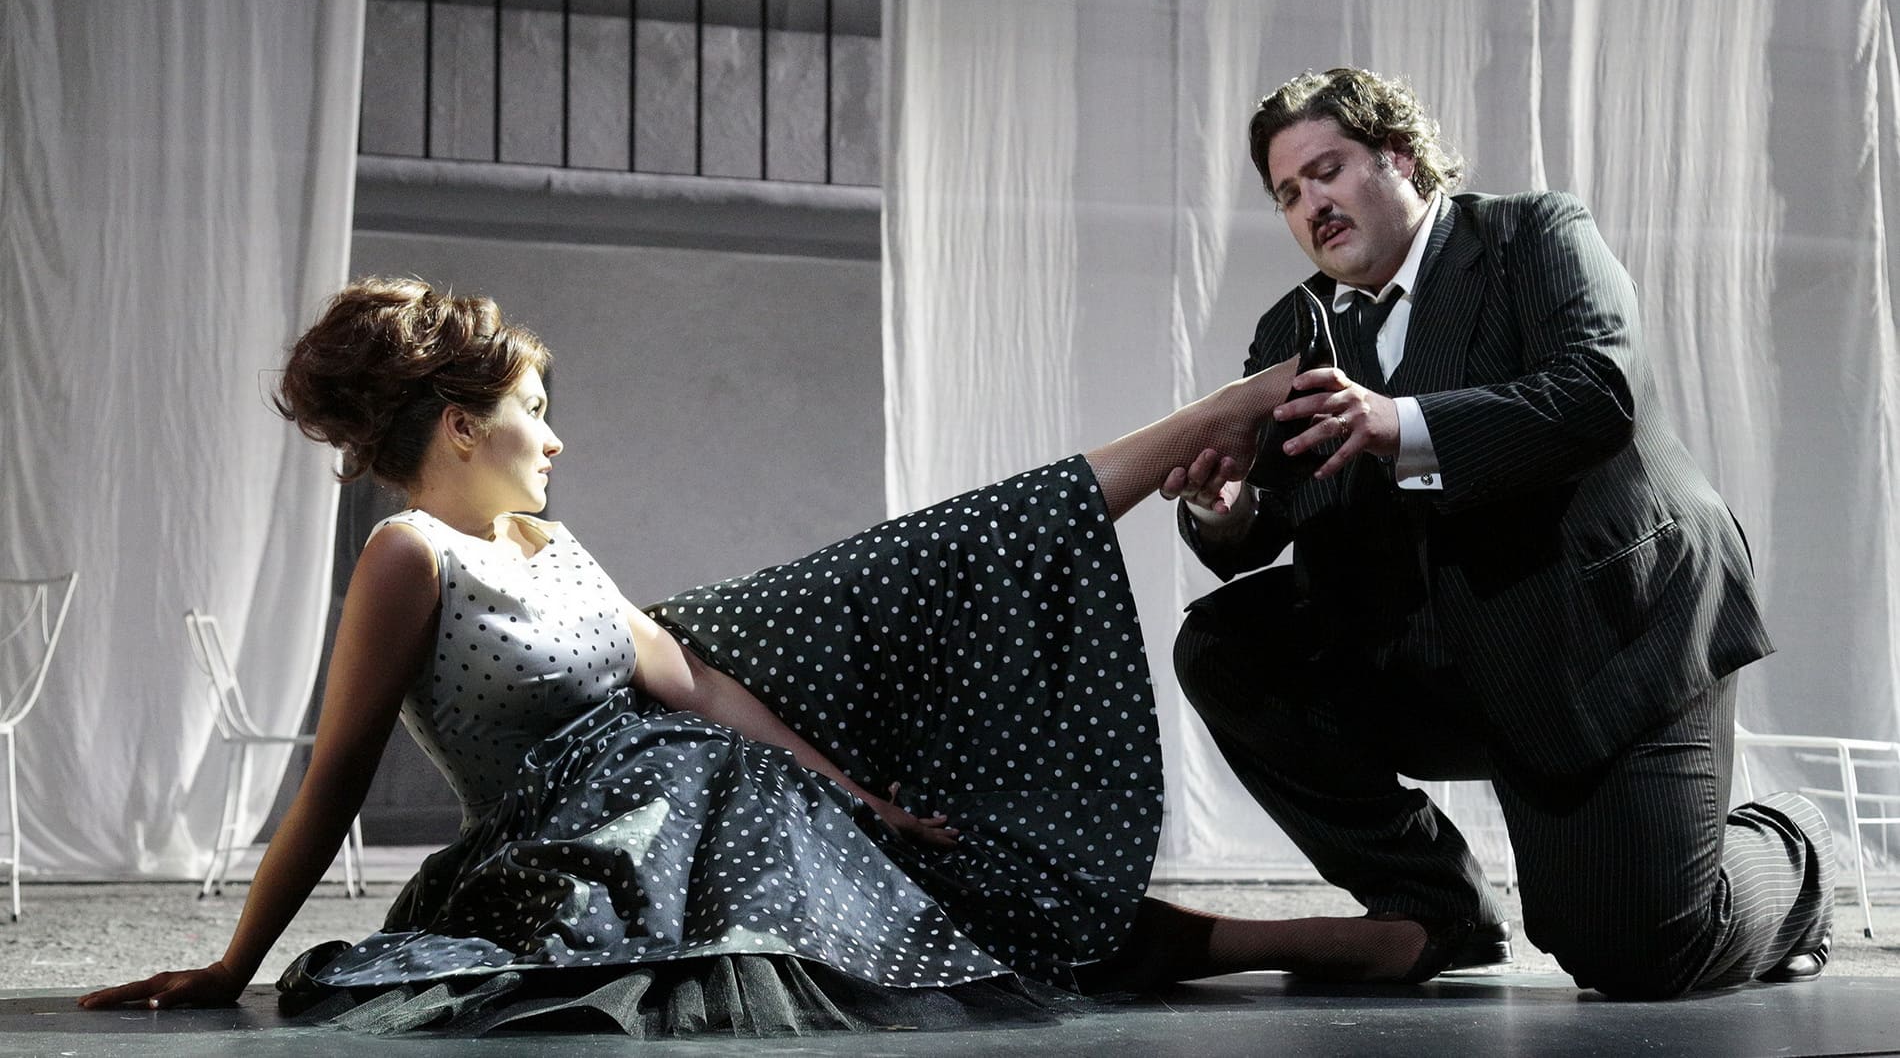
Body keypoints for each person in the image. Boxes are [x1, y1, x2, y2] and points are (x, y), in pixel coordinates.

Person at [80, 277, 1428, 1036]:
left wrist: (854, 794)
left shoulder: (554, 542)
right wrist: (234, 964)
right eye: (535, 411)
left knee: (925, 842)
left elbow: (693, 683)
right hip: (580, 848)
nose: (556, 438)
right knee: (877, 903)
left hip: (705, 790)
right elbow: (333, 778)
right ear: (458, 427)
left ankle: (1328, 941)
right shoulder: (409, 555)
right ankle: (1312, 937)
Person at [1165, 67, 1834, 1000]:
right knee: (1224, 646)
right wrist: (1223, 504)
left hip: (1605, 636)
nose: (1310, 205)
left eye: (1327, 170)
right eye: (1286, 193)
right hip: (1433, 654)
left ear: (1400, 156)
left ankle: (1796, 850)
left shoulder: (1534, 236)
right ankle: (1431, 903)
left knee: (1640, 954)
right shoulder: (1291, 331)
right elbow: (1263, 520)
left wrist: (1399, 422)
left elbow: (1598, 393)